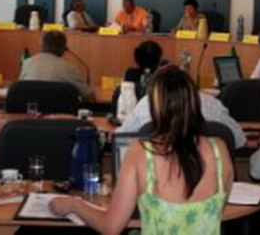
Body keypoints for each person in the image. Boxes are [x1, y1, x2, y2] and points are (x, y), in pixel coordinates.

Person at [49, 67, 234, 234]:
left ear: (154, 106)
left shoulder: (141, 152)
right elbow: (216, 212)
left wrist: (74, 205)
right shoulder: (220, 151)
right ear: (194, 101)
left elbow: (110, 227)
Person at [117, 74, 247, 149]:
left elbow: (120, 140)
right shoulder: (214, 105)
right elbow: (240, 141)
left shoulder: (146, 103)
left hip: (155, 182)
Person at [19, 31, 94, 101]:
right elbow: (90, 97)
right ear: (64, 49)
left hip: (31, 110)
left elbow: (20, 89)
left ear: (42, 45)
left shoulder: (27, 63)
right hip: (62, 111)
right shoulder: (70, 69)